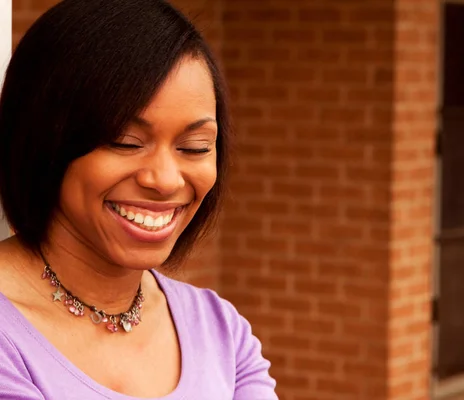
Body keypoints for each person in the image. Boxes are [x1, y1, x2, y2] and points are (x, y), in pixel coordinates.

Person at [0, 0, 278, 399]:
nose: (164, 180)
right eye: (126, 142)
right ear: (45, 141)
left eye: (195, 147)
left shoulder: (222, 333)